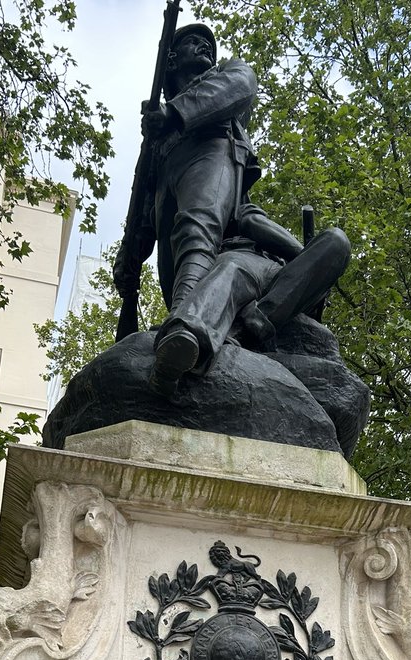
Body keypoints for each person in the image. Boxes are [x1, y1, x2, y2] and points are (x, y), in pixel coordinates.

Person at [114, 23, 350, 394]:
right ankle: (187, 336)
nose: (205, 47)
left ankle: (228, 327)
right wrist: (126, 263)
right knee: (227, 266)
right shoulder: (159, 151)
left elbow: (241, 84)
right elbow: (144, 223)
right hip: (223, 267)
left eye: (209, 42)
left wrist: (304, 269)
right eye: (194, 42)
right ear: (171, 59)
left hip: (263, 273)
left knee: (335, 241)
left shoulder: (228, 76)